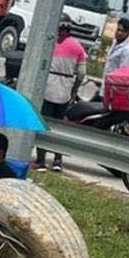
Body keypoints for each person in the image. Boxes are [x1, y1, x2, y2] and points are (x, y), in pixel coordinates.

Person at [35, 13, 86, 172]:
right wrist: (73, 91)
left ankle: (41, 161)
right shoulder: (78, 47)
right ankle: (57, 161)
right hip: (65, 91)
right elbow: (82, 74)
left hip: (48, 89)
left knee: (43, 125)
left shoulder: (50, 44)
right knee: (59, 128)